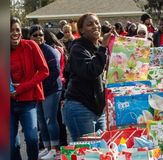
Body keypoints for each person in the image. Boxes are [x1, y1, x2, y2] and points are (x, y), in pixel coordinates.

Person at [63, 13, 113, 141]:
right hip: (80, 107)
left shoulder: (98, 46)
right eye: (90, 24)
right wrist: (103, 48)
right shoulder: (78, 49)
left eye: (97, 23)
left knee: (102, 149)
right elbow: (91, 71)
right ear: (81, 30)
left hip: (98, 110)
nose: (95, 26)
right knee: (87, 152)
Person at [10, 17, 49, 160]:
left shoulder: (31, 45)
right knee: (10, 145)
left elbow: (44, 71)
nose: (15, 33)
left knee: (32, 138)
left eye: (17, 30)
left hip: (28, 100)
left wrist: (22, 88)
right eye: (10, 30)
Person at [29, 24, 62, 159]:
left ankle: (55, 149)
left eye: (41, 34)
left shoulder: (49, 51)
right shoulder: (29, 51)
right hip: (39, 91)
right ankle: (47, 147)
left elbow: (55, 73)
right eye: (35, 35)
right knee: (41, 121)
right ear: (30, 37)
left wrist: (41, 88)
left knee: (50, 120)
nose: (39, 37)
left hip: (51, 90)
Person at [44, 29, 68, 147]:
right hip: (61, 82)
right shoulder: (59, 48)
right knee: (58, 117)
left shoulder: (52, 50)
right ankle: (61, 142)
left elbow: (55, 69)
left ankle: (60, 143)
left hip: (56, 84)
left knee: (54, 118)